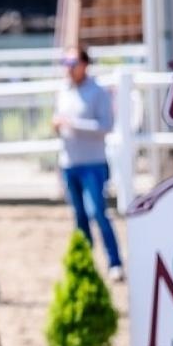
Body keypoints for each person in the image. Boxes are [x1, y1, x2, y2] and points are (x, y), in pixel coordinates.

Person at [53, 45, 123, 281]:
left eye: (72, 64)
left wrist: (73, 124)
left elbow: (106, 126)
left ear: (84, 65)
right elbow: (62, 126)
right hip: (70, 163)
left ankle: (114, 262)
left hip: (93, 163)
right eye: (66, 64)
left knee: (98, 213)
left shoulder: (98, 92)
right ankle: (86, 264)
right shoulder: (63, 91)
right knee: (79, 216)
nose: (68, 69)